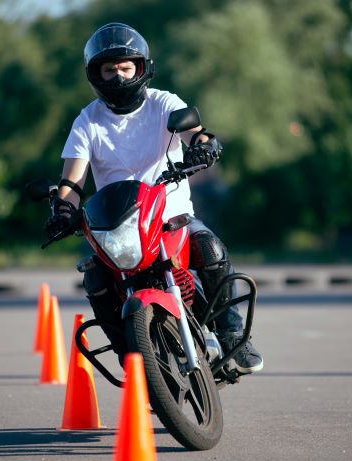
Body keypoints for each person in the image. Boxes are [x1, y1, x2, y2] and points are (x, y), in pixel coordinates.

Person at [45, 23, 262, 374]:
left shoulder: (164, 103)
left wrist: (204, 145)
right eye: (109, 69)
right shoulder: (87, 121)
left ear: (141, 69)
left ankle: (234, 336)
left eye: (126, 67)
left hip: (170, 215)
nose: (118, 76)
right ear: (95, 74)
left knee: (209, 247)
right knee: (95, 279)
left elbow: (195, 133)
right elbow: (72, 179)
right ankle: (129, 358)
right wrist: (63, 208)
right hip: (116, 227)